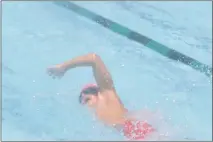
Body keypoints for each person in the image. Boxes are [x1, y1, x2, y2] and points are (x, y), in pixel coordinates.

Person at [47, 53, 155, 140]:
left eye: (87, 92)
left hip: (139, 133)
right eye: (81, 99)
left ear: (98, 92)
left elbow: (94, 59)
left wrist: (64, 67)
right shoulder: (96, 120)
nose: (83, 96)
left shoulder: (107, 94)